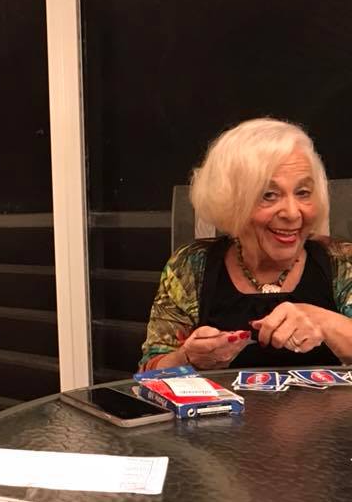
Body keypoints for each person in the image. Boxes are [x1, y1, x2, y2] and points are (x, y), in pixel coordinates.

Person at [141, 117, 352, 371]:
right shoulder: (190, 266)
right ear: (231, 202)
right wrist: (187, 358)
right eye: (268, 195)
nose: (293, 213)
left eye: (303, 193)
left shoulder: (342, 261)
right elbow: (148, 373)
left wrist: (323, 321)